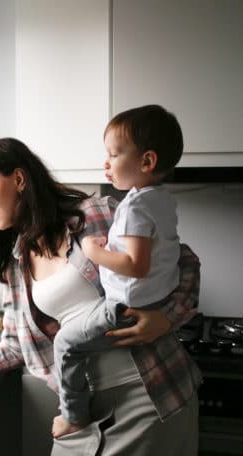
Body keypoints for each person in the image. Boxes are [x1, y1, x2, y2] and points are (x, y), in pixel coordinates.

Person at [0, 136, 202, 456]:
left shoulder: (96, 215)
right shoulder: (16, 265)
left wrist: (167, 319)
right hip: (79, 410)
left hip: (149, 395)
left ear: (19, 180)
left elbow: (185, 263)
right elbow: (15, 347)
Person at [51, 104, 187, 438]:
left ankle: (73, 416)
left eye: (113, 154)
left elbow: (136, 265)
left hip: (124, 309)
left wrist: (94, 251)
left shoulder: (133, 206)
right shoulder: (161, 200)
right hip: (154, 300)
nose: (106, 163)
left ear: (147, 162)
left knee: (65, 343)